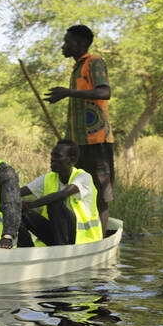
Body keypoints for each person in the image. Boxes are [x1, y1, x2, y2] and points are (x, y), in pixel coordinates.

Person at [44, 24, 114, 232]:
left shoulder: (94, 62)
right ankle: (77, 236)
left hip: (96, 141)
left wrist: (68, 92)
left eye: (67, 41)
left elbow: (104, 92)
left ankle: (99, 243)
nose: (63, 46)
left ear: (81, 43)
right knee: (76, 191)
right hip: (77, 143)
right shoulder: (76, 68)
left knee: (100, 194)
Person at [18, 140, 102, 247]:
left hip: (81, 239)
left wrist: (31, 205)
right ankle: (27, 249)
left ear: (72, 160)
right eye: (52, 155)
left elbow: (62, 195)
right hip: (56, 234)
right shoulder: (49, 178)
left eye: (58, 156)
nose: (52, 159)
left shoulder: (83, 177)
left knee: (55, 205)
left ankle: (61, 248)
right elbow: (20, 191)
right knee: (19, 212)